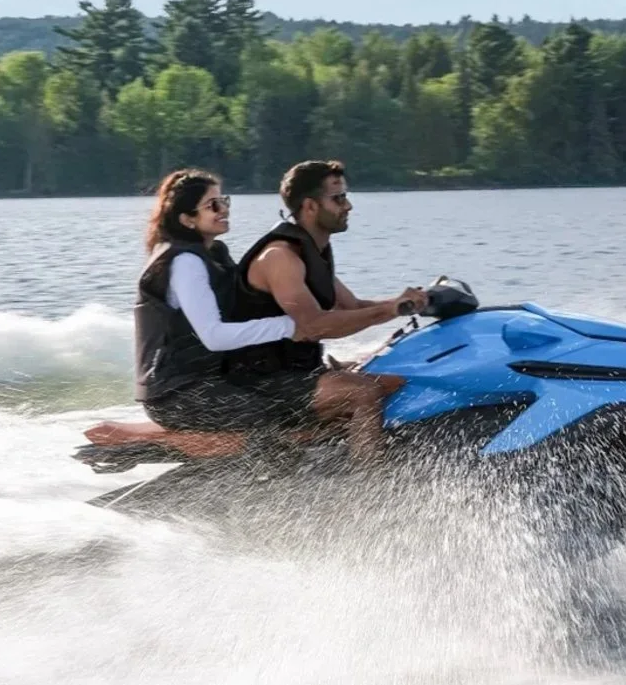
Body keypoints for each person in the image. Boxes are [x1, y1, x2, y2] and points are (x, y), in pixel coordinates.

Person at [224, 160, 426, 464]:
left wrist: (407, 301)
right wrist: (392, 309)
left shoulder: (313, 251)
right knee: (363, 393)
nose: (348, 206)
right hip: (262, 382)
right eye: (338, 198)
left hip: (298, 372)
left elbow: (353, 307)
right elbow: (315, 325)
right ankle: (371, 482)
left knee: (398, 377)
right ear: (310, 206)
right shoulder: (280, 257)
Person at [134, 169, 316, 435]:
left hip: (208, 377)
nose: (224, 209)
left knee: (290, 395)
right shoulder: (186, 263)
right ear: (187, 219)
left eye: (224, 201)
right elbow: (215, 337)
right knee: (271, 415)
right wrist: (289, 327)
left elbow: (244, 308)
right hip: (174, 394)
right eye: (213, 205)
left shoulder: (215, 253)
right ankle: (265, 468)